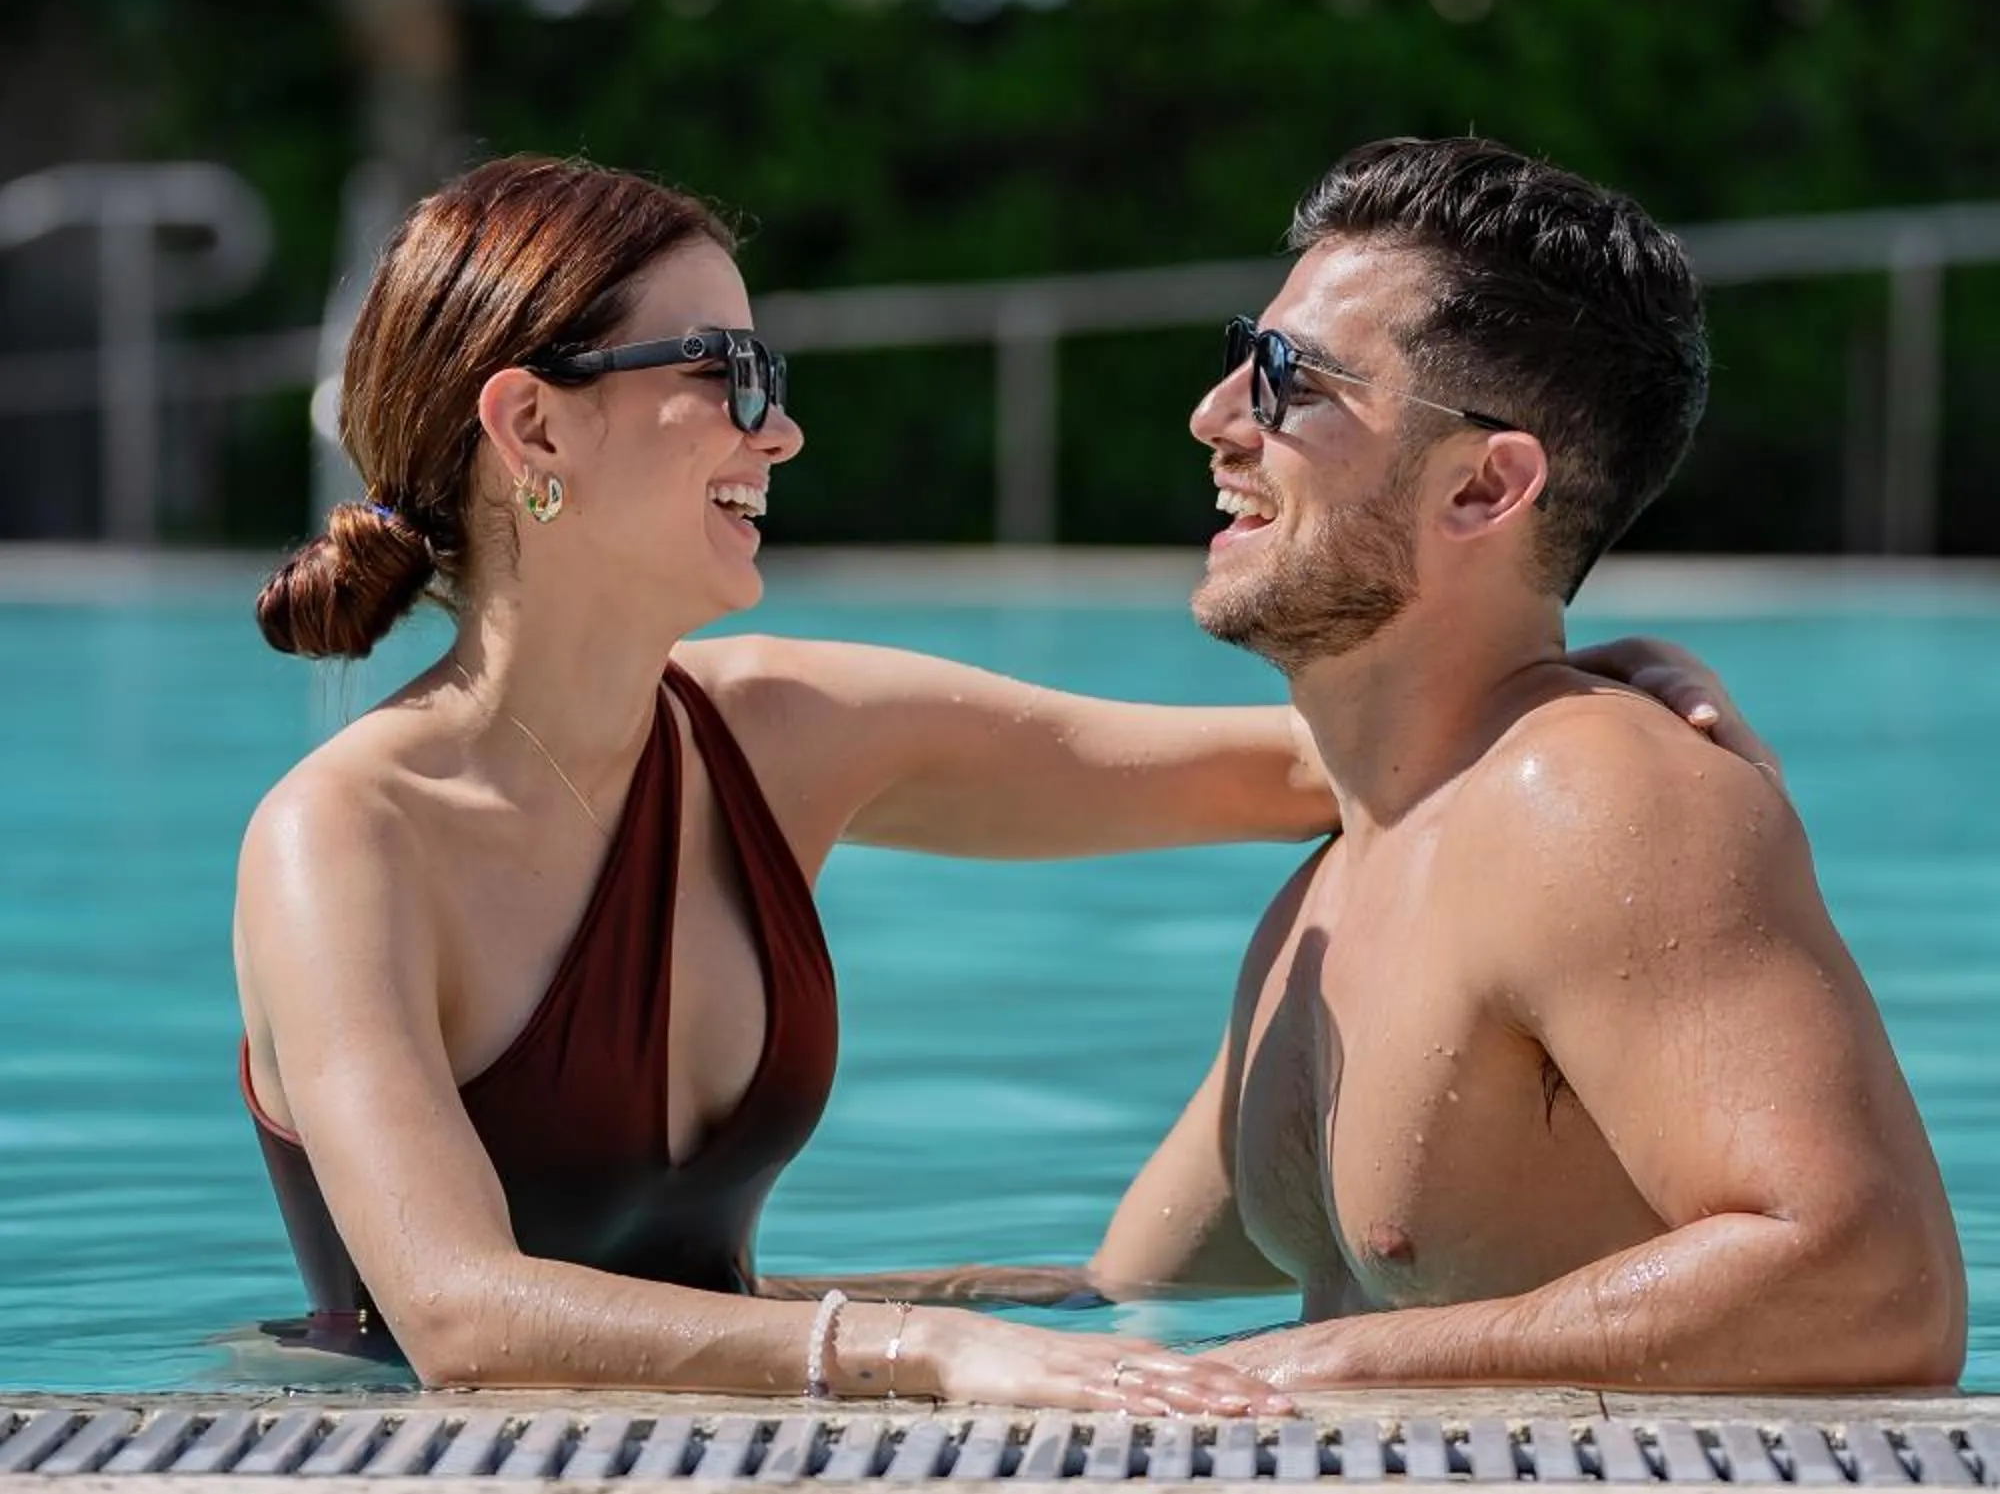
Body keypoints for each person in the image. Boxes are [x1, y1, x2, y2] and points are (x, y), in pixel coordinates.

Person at [238, 151, 1764, 1410]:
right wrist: (931, 1348)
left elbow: (1342, 765)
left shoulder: (781, 732)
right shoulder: (346, 840)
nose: (785, 427)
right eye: (730, 372)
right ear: (533, 426)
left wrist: (1607, 687)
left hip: (743, 1426)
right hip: (415, 1488)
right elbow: (464, 1321)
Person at [1091, 137, 1967, 1393]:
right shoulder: (1339, 877)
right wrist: (818, 1327)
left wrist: (1329, 1363)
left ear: (1482, 489)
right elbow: (1119, 1294)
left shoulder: (1592, 803)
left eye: (1287, 378)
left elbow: (1870, 1289)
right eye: (1242, 352)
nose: (1216, 415)